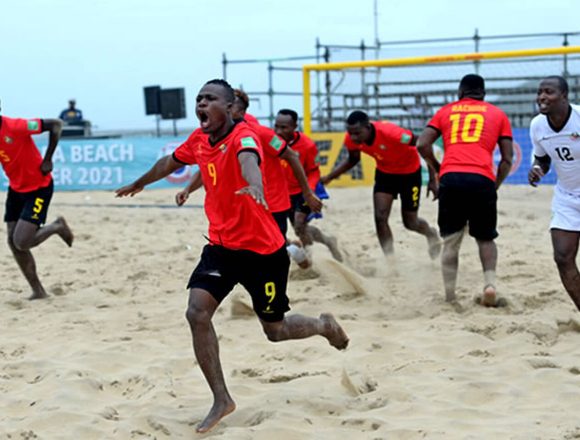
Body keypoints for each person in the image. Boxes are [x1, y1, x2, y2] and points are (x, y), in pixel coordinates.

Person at [115, 79, 349, 434]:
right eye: (198, 99)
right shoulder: (198, 139)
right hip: (222, 248)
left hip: (263, 252)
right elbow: (170, 161)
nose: (201, 104)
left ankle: (323, 326)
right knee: (196, 312)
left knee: (276, 330)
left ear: (230, 107)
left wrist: (256, 182)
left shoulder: (246, 135)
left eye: (209, 99)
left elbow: (251, 158)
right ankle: (222, 399)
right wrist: (142, 182)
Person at [176, 89, 321, 268]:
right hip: (247, 203)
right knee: (258, 246)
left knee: (275, 246)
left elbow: (291, 155)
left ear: (240, 111)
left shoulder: (260, 132)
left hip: (273, 201)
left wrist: (308, 192)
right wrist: (187, 189)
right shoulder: (221, 135)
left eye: (231, 107)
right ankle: (293, 249)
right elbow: (207, 167)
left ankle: (305, 262)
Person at [416, 74, 513, 306]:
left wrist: (438, 168)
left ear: (460, 93)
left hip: (452, 177)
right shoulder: (498, 114)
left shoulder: (446, 111)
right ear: (483, 94)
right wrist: (495, 185)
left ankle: (450, 296)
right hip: (482, 179)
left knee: (451, 241)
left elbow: (421, 144)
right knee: (486, 238)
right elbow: (507, 159)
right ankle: (489, 284)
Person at [321, 111, 440, 259]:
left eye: (357, 133)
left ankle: (431, 234)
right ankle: (390, 261)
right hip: (385, 175)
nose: (353, 138)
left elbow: (423, 144)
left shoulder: (391, 133)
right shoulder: (351, 139)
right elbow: (352, 160)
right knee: (380, 217)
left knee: (410, 223)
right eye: (350, 133)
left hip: (409, 175)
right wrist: (329, 177)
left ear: (368, 127)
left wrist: (432, 178)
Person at [0, 111, 74, 299]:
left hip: (38, 187)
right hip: (16, 189)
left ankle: (57, 226)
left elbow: (56, 124)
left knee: (22, 241)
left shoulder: (17, 126)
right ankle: (38, 291)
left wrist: (48, 158)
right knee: (12, 241)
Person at [528, 75, 580, 312]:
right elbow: (543, 156)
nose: (542, 97)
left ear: (564, 96)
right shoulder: (537, 125)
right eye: (540, 92)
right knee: (562, 258)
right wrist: (538, 169)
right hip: (567, 197)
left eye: (548, 92)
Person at [274, 108, 343, 262]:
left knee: (299, 224)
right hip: (282, 193)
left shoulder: (307, 145)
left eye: (283, 127)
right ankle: (328, 241)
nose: (278, 131)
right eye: (276, 126)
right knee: (299, 229)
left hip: (302, 191)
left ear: (294, 127)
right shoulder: (272, 141)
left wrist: (309, 191)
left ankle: (309, 260)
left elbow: (313, 171)